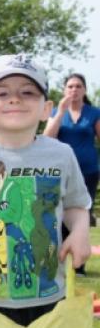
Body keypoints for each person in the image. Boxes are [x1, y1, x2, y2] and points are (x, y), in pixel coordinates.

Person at [0, 54, 91, 326]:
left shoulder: (62, 154)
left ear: (47, 109)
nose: (15, 99)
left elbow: (76, 205)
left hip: (47, 295)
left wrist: (80, 231)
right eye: (2, 92)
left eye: (27, 92)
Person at [43, 73, 100, 275]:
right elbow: (46, 138)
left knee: (82, 214)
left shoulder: (94, 113)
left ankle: (78, 266)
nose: (74, 90)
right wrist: (60, 112)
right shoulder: (58, 112)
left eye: (78, 86)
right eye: (70, 86)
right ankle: (56, 262)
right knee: (58, 215)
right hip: (60, 172)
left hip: (89, 172)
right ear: (64, 90)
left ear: (84, 90)